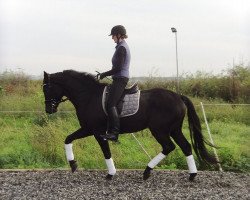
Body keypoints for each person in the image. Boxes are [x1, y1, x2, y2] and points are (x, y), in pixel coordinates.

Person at [97, 25, 131, 141]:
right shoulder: (120, 47)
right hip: (118, 78)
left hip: (121, 79)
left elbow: (118, 68)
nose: (112, 38)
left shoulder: (121, 48)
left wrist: (103, 74)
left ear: (119, 35)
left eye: (113, 36)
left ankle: (114, 133)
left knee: (111, 104)